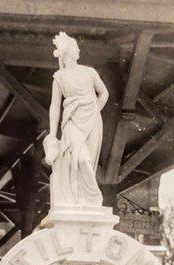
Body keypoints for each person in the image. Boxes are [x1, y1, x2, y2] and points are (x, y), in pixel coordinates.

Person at [43, 32, 109, 208]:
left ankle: (83, 201)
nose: (78, 49)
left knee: (88, 161)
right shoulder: (59, 77)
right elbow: (55, 106)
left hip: (92, 121)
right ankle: (92, 197)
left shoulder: (89, 72)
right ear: (66, 52)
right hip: (72, 120)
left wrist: (95, 111)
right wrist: (51, 133)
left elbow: (104, 93)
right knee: (81, 159)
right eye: (75, 46)